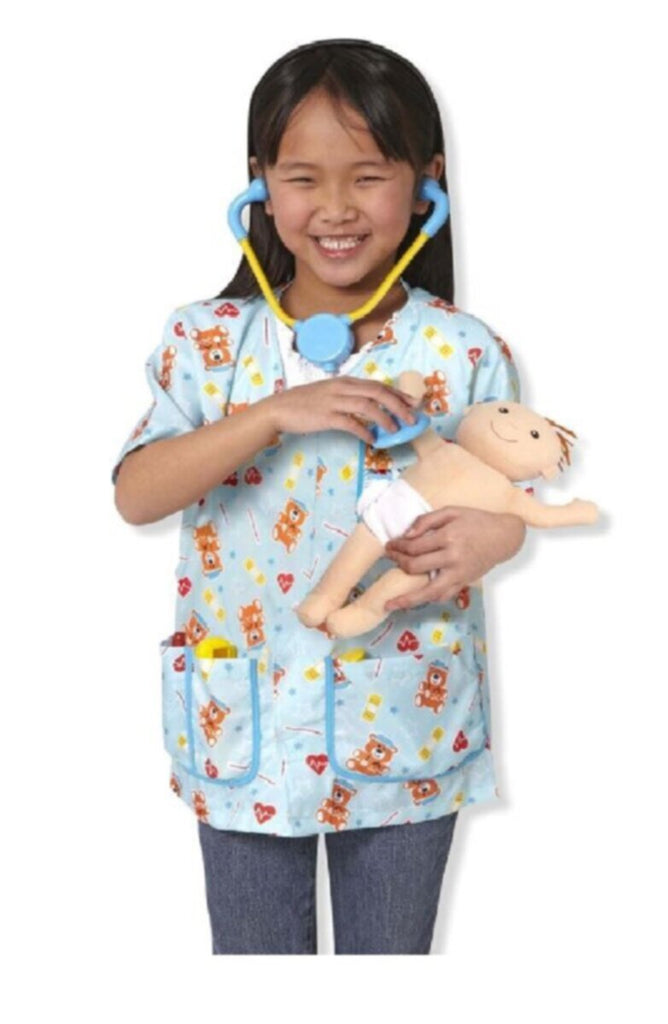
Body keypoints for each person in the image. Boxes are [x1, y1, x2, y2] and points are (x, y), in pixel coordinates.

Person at [112, 38, 532, 955]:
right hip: (243, 724)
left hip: (403, 725)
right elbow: (136, 494)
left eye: (367, 177)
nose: (335, 209)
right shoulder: (207, 341)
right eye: (303, 178)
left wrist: (494, 540)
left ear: (425, 184)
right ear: (260, 185)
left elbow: (506, 498)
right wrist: (271, 415)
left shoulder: (463, 350)